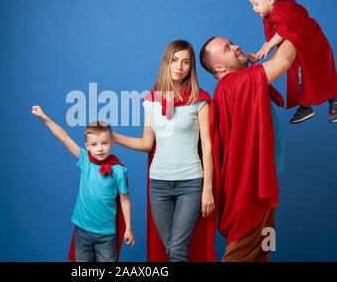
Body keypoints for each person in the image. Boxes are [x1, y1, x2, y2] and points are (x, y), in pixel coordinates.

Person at [113, 40, 220, 262]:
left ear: (191, 67)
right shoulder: (151, 101)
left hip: (191, 183)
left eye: (186, 62)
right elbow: (146, 144)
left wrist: (207, 189)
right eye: (174, 60)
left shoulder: (199, 99)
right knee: (171, 250)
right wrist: (113, 136)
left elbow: (207, 146)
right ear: (166, 63)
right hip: (159, 184)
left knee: (178, 250)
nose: (179, 66)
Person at [199, 36, 296, 261]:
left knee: (262, 251)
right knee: (241, 252)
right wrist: (292, 25)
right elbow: (283, 61)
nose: (236, 46)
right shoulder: (233, 83)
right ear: (219, 67)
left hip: (263, 184)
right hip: (249, 188)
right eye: (227, 48)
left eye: (231, 42)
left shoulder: (238, 82)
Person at [31, 108, 135, 262]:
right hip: (83, 230)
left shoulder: (119, 170)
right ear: (87, 146)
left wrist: (128, 228)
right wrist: (44, 117)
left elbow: (125, 200)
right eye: (94, 144)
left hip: (106, 233)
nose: (100, 148)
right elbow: (64, 137)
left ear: (112, 143)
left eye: (104, 143)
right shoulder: (85, 160)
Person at [247, 0, 337, 123]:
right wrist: (258, 55)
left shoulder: (285, 9)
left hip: (313, 45)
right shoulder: (271, 17)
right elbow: (272, 39)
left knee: (321, 73)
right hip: (302, 48)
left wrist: (269, 47)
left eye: (256, 4)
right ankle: (305, 107)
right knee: (302, 77)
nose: (254, 8)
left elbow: (284, 30)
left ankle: (333, 101)